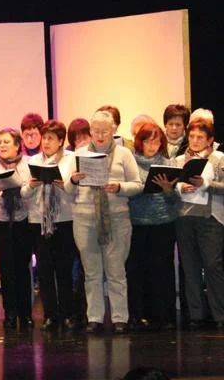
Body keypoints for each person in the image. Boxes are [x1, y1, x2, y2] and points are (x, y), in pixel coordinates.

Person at [65, 110, 142, 334]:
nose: (100, 135)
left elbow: (138, 185)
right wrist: (74, 180)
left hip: (116, 217)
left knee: (116, 270)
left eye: (105, 131)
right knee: (91, 271)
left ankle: (120, 318)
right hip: (85, 217)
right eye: (96, 131)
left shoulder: (124, 154)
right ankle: (94, 317)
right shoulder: (78, 154)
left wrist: (119, 187)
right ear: (90, 131)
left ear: (114, 130)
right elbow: (67, 189)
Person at [21, 120, 78, 331]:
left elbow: (75, 191)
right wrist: (31, 186)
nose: (45, 142)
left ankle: (67, 313)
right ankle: (50, 315)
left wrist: (65, 185)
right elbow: (24, 193)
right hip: (39, 221)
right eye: (44, 138)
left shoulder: (71, 159)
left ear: (61, 141)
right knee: (44, 270)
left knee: (64, 269)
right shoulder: (34, 160)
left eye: (51, 138)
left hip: (64, 219)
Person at [126, 123, 178, 331]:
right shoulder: (131, 162)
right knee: (137, 270)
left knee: (162, 270)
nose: (152, 145)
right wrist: (139, 188)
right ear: (140, 142)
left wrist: (168, 190)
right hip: (138, 223)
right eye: (147, 141)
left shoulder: (168, 163)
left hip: (163, 224)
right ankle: (139, 315)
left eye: (156, 141)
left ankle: (164, 315)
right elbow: (126, 192)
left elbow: (174, 200)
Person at [175, 119, 224, 330]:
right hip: (184, 219)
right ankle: (196, 314)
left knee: (213, 266)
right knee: (190, 267)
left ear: (210, 140)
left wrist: (206, 184)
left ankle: (219, 313)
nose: (195, 141)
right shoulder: (179, 160)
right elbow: (170, 186)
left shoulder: (219, 158)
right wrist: (178, 187)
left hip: (210, 219)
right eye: (192, 136)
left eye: (200, 137)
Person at [0, 128, 32, 329]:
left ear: (17, 145)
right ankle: (10, 313)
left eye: (6, 142)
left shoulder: (28, 164)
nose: (1, 145)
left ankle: (25, 313)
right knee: (6, 268)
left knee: (23, 267)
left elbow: (33, 191)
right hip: (0, 220)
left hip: (23, 219)